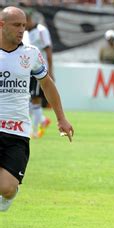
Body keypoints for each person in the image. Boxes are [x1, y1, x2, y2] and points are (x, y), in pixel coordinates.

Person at [0, 6, 74, 212]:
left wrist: (61, 118)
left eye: (24, 25)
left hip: (17, 131)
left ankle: (10, 194)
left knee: (7, 188)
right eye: (16, 25)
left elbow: (47, 84)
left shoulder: (31, 54)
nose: (21, 29)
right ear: (1, 25)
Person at [23, 9, 52, 138]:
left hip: (38, 70)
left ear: (30, 19)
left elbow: (48, 51)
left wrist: (50, 71)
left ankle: (34, 131)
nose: (23, 25)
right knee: (28, 100)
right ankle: (42, 121)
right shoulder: (24, 33)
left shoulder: (41, 30)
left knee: (35, 99)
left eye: (25, 22)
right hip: (26, 71)